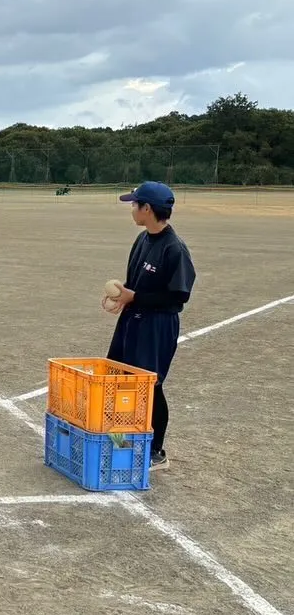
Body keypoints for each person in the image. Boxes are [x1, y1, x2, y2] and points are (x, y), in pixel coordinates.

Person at [103, 181, 196, 471]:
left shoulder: (174, 248)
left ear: (147, 209)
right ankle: (120, 441)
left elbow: (179, 294)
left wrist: (137, 297)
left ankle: (157, 452)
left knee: (150, 385)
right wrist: (124, 296)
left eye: (135, 204)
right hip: (134, 318)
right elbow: (134, 283)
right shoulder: (143, 240)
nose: (131, 209)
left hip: (157, 324)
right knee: (117, 377)